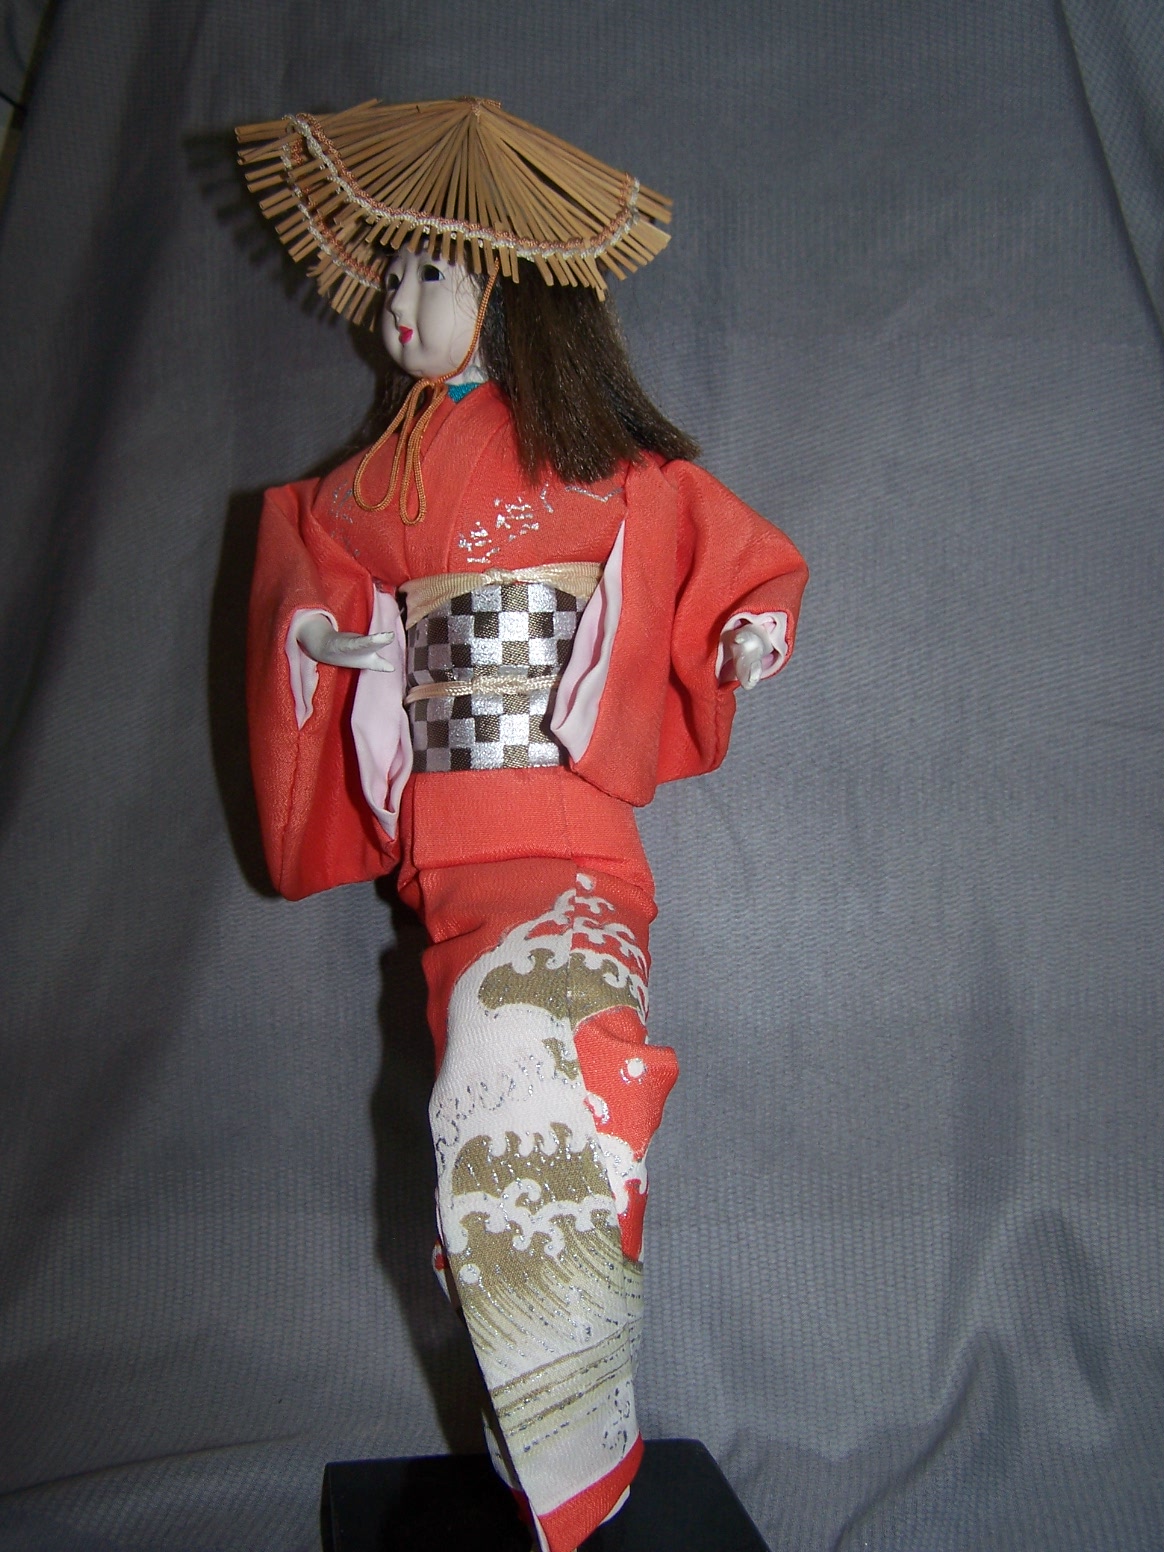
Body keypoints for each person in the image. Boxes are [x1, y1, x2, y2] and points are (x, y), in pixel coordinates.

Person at [244, 104, 807, 1552]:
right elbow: (312, 555)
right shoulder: (387, 475)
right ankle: (538, 1443)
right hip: (452, 855)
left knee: (533, 1082)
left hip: (568, 850)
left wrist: (745, 624)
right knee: (473, 1122)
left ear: (510, 294)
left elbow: (709, 537)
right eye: (392, 275)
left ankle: (572, 1446)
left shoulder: (590, 460)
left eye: (431, 274)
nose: (399, 303)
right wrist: (316, 631)